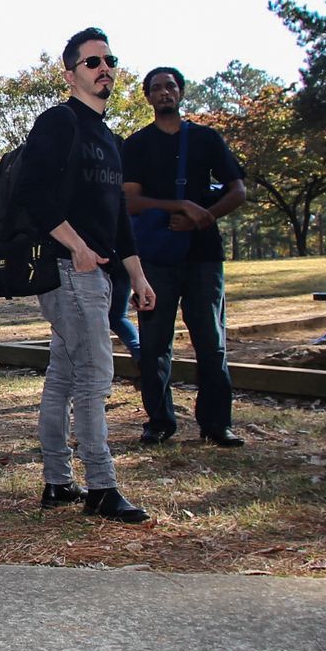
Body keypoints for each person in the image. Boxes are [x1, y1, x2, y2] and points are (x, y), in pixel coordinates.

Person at [14, 28, 156, 525]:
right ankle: (102, 486)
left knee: (65, 376)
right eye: (93, 61)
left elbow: (118, 217)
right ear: (70, 72)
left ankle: (57, 481)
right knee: (95, 377)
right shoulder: (58, 121)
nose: (104, 69)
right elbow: (31, 189)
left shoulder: (109, 138)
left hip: (99, 273)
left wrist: (137, 276)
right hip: (66, 269)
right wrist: (75, 246)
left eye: (109, 60)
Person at [122, 66, 249, 447]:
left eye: (170, 86)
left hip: (204, 255)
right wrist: (179, 205)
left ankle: (216, 423)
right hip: (157, 258)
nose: (164, 93)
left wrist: (199, 221)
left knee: (211, 342)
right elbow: (130, 200)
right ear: (147, 97)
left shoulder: (208, 139)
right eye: (157, 88)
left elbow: (237, 191)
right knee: (156, 341)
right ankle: (159, 421)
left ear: (181, 93)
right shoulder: (137, 144)